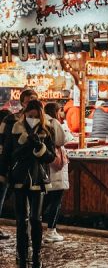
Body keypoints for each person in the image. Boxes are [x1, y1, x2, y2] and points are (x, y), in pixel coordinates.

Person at [0, 99, 60, 268]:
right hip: (19, 177)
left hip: (38, 178)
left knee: (35, 218)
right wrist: (3, 174)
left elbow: (50, 157)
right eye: (29, 114)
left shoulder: (47, 130)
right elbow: (7, 154)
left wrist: (39, 147)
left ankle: (36, 252)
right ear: (25, 114)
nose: (32, 118)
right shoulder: (15, 128)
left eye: (35, 115)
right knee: (21, 220)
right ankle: (21, 251)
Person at [0, 90, 39, 243]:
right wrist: (3, 167)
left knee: (33, 213)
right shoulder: (11, 120)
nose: (32, 102)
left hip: (33, 172)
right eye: (29, 100)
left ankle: (30, 242)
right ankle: (22, 246)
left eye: (34, 99)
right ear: (22, 102)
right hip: (13, 168)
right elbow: (3, 144)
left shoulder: (42, 121)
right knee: (17, 208)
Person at [41, 103, 72, 244]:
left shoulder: (41, 121)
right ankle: (51, 230)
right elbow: (62, 139)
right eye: (61, 111)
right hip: (55, 165)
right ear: (56, 111)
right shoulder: (54, 122)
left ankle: (34, 226)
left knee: (44, 200)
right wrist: (65, 129)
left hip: (44, 165)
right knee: (56, 200)